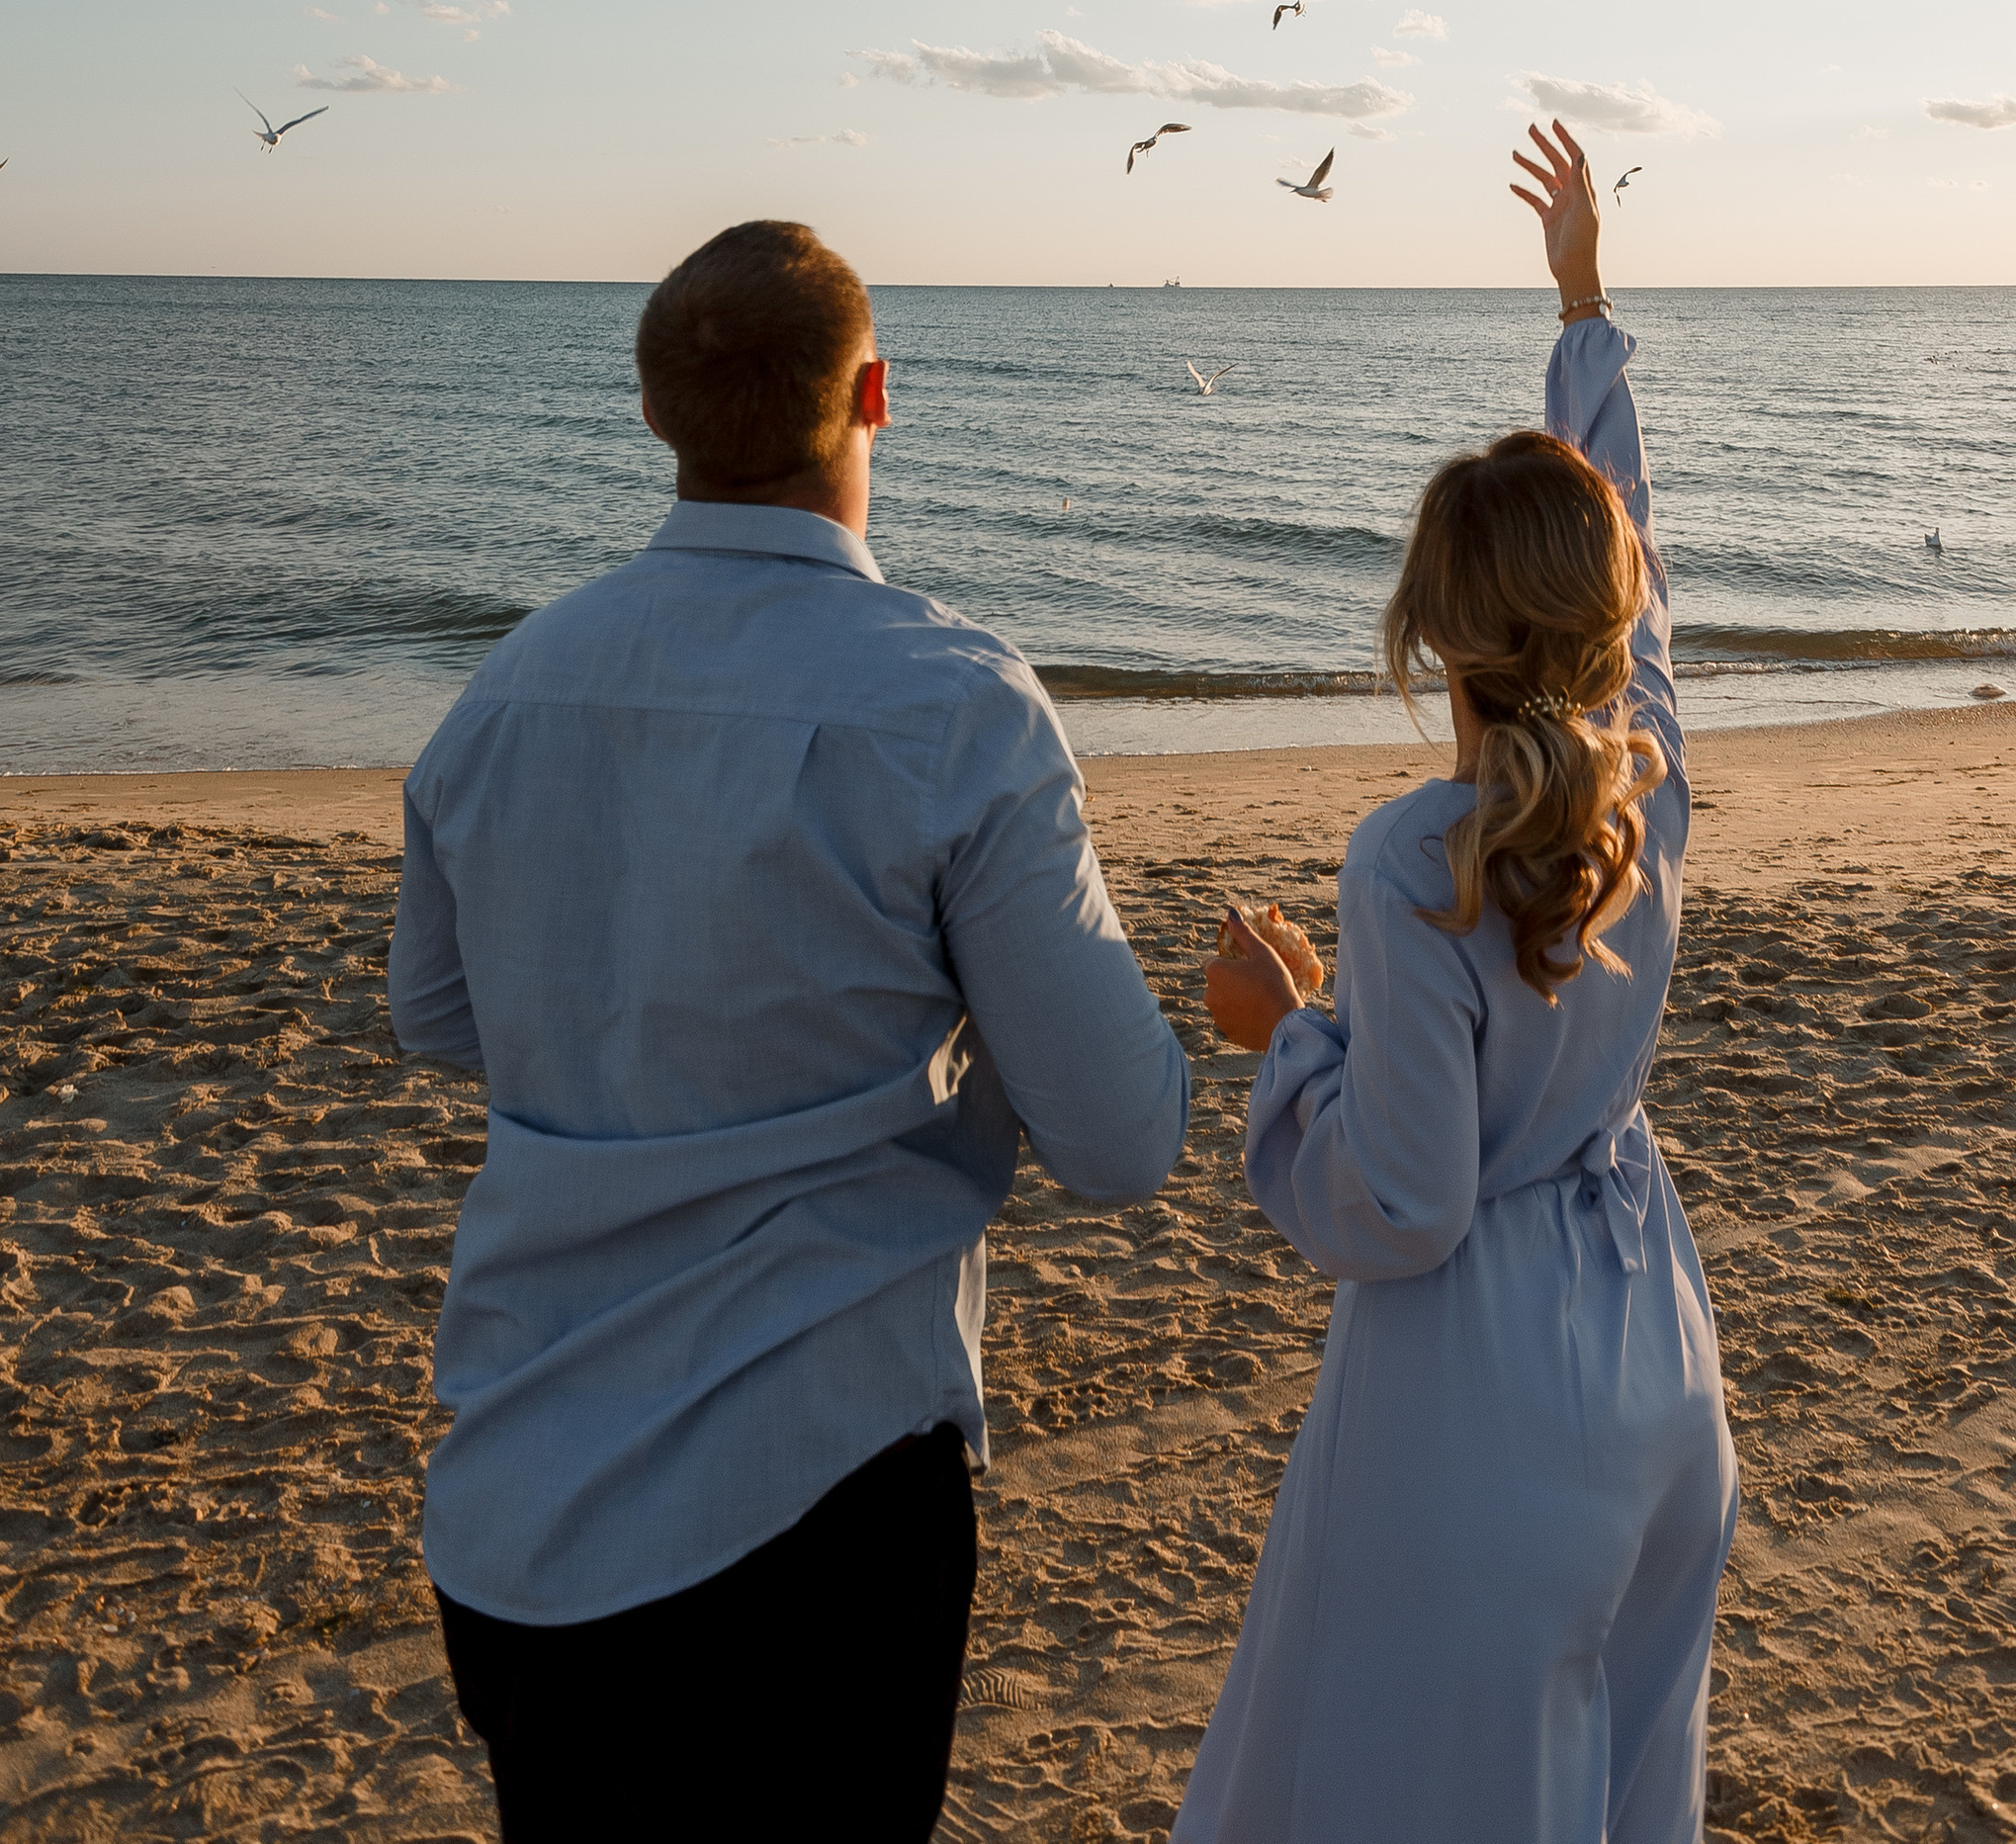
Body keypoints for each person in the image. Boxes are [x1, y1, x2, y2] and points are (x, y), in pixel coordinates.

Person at [389, 220, 1189, 1841]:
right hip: (817, 1495)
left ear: (652, 414)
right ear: (874, 393)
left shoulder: (513, 687)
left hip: (525, 1500)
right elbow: (1122, 1139)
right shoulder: (954, 707)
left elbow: (438, 1014)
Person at [1176, 123, 1736, 1844]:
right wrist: (1584, 303)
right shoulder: (1653, 781)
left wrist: (1289, 1037)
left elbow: (1406, 1200)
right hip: (1655, 1367)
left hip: (1481, 1403)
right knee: (1611, 1781)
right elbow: (1622, 540)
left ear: (1427, 635)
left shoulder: (1415, 859)